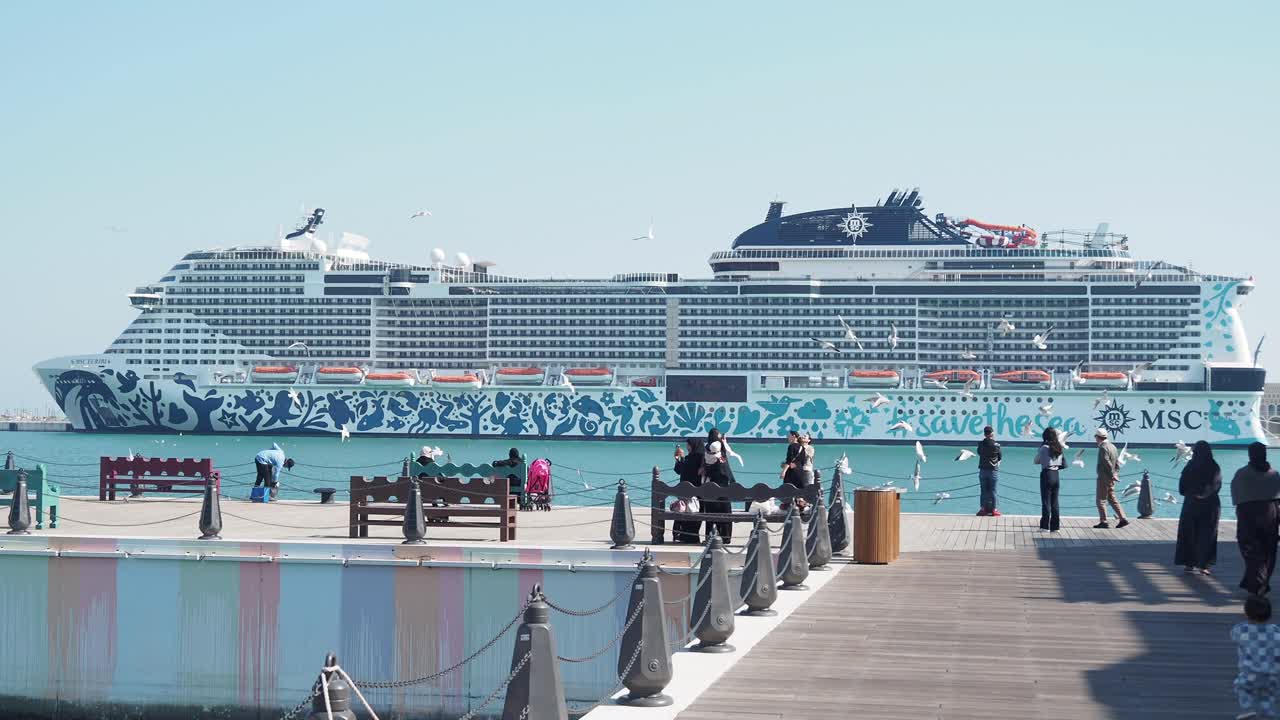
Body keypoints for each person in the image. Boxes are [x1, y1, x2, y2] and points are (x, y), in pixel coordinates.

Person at [1232, 442, 1280, 596]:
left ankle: (1257, 582)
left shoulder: (1242, 473)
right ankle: (1261, 582)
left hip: (1248, 514)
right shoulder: (1274, 474)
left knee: (1250, 550)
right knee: (1268, 550)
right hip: (1270, 514)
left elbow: (1236, 495)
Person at [1174, 440, 1222, 575]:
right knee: (1207, 535)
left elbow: (1182, 486)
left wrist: (1192, 495)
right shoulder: (1214, 466)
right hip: (1210, 505)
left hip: (1191, 503)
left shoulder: (1190, 466)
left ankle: (1189, 563)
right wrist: (1204, 495)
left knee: (1189, 533)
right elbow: (1217, 485)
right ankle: (1204, 565)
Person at [1232, 594, 1280, 719]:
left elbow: (1233, 635)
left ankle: (1247, 708)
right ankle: (1268, 712)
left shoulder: (1242, 630)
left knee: (1241, 687)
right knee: (1268, 694)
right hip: (1272, 673)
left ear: (1247, 614)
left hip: (1250, 672)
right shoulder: (1275, 630)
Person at [1093, 428, 1130, 529]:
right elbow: (1117, 462)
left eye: (1095, 437)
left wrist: (1113, 473)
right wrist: (1116, 473)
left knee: (1100, 500)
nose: (1095, 439)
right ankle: (1123, 518)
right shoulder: (1113, 446)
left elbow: (1106, 461)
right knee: (1112, 498)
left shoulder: (1103, 447)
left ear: (1098, 437)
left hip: (1104, 477)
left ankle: (1103, 521)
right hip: (1111, 478)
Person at [672, 439, 705, 544]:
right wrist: (681, 458)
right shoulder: (701, 457)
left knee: (686, 512)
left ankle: (684, 536)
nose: (687, 447)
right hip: (699, 493)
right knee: (693, 514)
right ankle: (691, 536)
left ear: (693, 446)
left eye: (688, 445)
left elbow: (681, 470)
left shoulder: (693, 458)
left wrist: (679, 459)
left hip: (690, 494)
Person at [702, 440, 734, 544]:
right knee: (725, 512)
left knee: (711, 512)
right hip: (723, 494)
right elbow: (728, 476)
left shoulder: (709, 460)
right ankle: (725, 537)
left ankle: (709, 536)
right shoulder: (722, 462)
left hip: (711, 495)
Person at [1034, 427, 1064, 532]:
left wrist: (1040, 450)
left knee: (1046, 501)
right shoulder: (1059, 447)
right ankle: (1055, 527)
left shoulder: (1044, 448)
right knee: (1055, 502)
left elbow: (1036, 461)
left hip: (1047, 474)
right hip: (1056, 474)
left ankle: (1044, 526)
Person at [976, 425, 1002, 517]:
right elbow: (1000, 457)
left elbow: (979, 453)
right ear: (992, 433)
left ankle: (982, 509)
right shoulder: (997, 445)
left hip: (983, 470)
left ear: (984, 434)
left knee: (983, 490)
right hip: (993, 470)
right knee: (993, 491)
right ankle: (994, 510)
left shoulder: (980, 444)